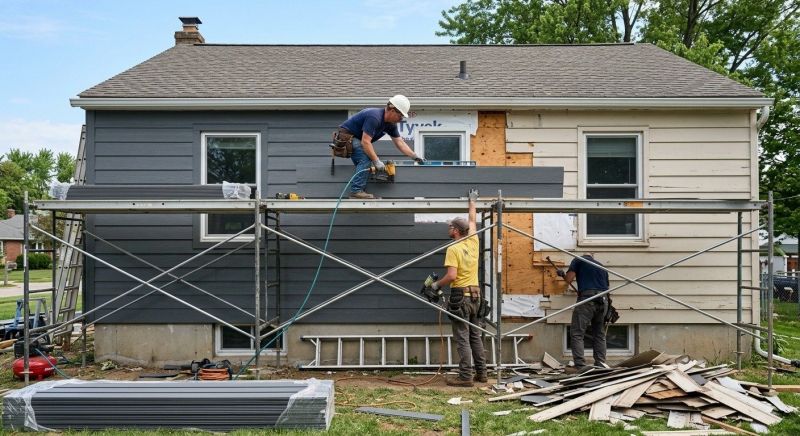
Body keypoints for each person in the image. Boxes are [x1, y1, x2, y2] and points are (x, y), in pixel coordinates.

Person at [424, 189, 487, 387]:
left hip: (461, 297)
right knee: (475, 336)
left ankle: (465, 377)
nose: (448, 228)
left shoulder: (453, 248)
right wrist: (472, 201)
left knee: (462, 338)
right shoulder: (473, 240)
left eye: (450, 226)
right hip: (476, 296)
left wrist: (435, 285)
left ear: (456, 231)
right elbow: (472, 220)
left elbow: (451, 276)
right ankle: (482, 374)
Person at [337, 95, 424, 199]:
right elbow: (365, 142)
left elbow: (399, 142)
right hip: (347, 136)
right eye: (400, 115)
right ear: (392, 110)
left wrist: (414, 156)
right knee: (365, 159)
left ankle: (359, 188)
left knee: (367, 159)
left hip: (358, 139)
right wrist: (376, 161)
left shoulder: (390, 125)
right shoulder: (374, 117)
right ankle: (356, 191)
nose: (401, 119)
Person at [558, 253, 609, 372]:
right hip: (603, 301)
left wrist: (562, 274)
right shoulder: (601, 266)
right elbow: (605, 287)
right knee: (599, 334)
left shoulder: (578, 260)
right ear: (592, 257)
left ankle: (580, 366)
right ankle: (601, 364)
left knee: (577, 333)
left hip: (587, 299)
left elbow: (569, 279)